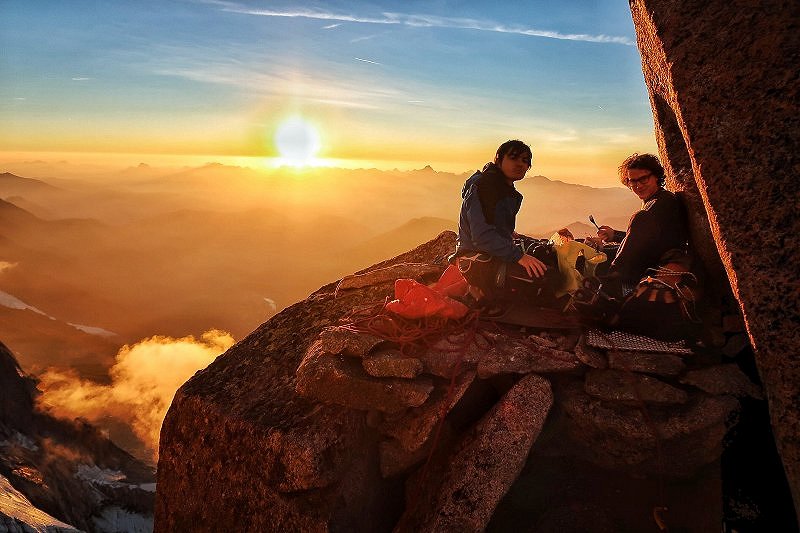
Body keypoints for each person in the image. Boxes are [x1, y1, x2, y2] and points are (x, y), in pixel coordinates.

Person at [451, 140, 555, 306]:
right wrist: (519, 256)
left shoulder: (504, 190)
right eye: (514, 158)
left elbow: (491, 225)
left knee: (547, 256)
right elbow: (482, 237)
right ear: (498, 159)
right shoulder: (486, 186)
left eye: (525, 160)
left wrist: (508, 237)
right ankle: (481, 293)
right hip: (477, 262)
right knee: (546, 278)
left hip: (492, 255)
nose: (520, 164)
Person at [591, 153, 689, 295]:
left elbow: (648, 239)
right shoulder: (655, 200)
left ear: (656, 176)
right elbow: (646, 238)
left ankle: (612, 282)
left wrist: (615, 271)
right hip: (651, 259)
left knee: (639, 218)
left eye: (643, 179)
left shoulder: (663, 203)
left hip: (655, 265)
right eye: (633, 181)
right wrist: (615, 235)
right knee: (601, 254)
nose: (638, 186)